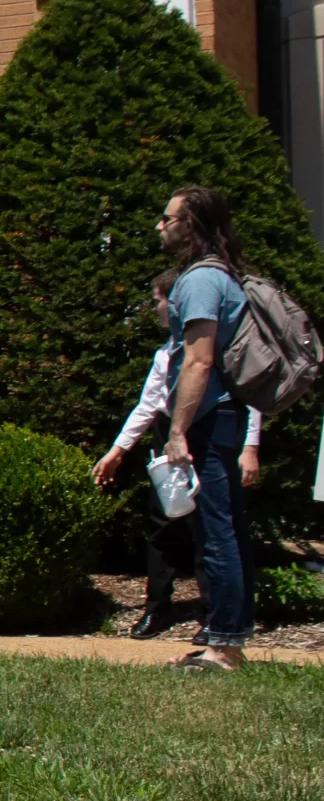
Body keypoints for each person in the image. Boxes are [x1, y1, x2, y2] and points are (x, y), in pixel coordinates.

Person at [94, 269, 265, 641]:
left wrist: (250, 447)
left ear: (177, 303)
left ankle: (215, 617)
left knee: (211, 530)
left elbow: (248, 399)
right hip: (169, 445)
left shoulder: (212, 348)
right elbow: (148, 405)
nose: (153, 307)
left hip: (205, 438)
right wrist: (118, 450)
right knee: (163, 528)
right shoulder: (165, 354)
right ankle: (157, 609)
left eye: (157, 299)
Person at [155, 187, 258, 671]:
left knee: (217, 533)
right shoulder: (222, 275)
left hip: (209, 418)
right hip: (224, 416)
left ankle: (225, 646)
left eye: (167, 218)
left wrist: (178, 431)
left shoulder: (199, 281)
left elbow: (198, 361)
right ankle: (225, 639)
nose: (161, 226)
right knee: (226, 529)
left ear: (189, 224)